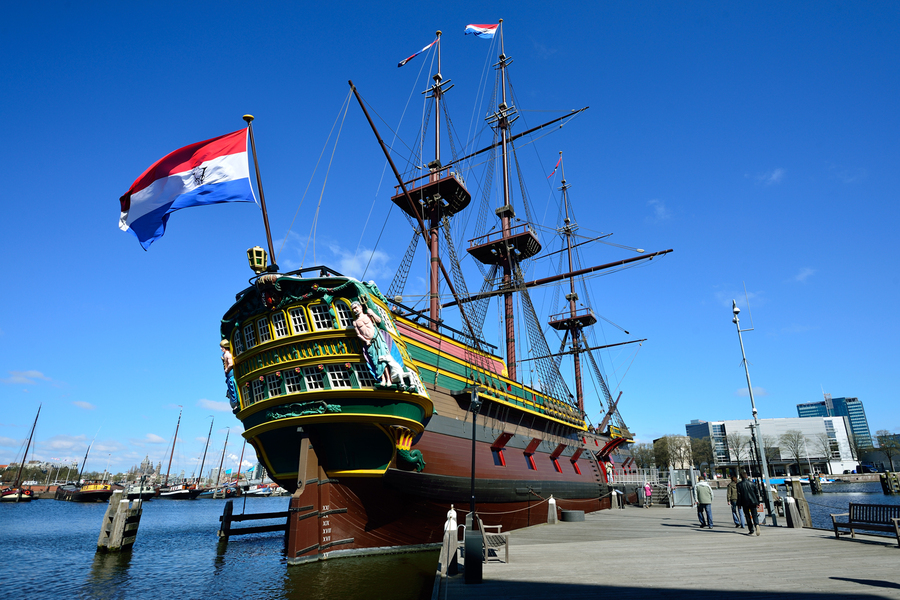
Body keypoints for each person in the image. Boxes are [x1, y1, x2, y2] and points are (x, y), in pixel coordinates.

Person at [737, 470, 761, 535]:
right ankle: (756, 524)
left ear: (741, 477)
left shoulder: (739, 485)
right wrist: (758, 502)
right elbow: (756, 494)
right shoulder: (752, 483)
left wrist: (739, 504)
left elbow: (739, 495)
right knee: (754, 514)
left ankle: (751, 529)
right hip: (753, 501)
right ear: (746, 476)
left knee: (747, 515)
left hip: (744, 502)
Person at [220, 340, 238, 413]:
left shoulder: (228, 354)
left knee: (232, 385)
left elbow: (231, 364)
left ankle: (236, 403)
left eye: (222, 347)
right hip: (228, 375)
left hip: (230, 373)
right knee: (230, 388)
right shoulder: (224, 355)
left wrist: (227, 370)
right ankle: (234, 402)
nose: (221, 349)